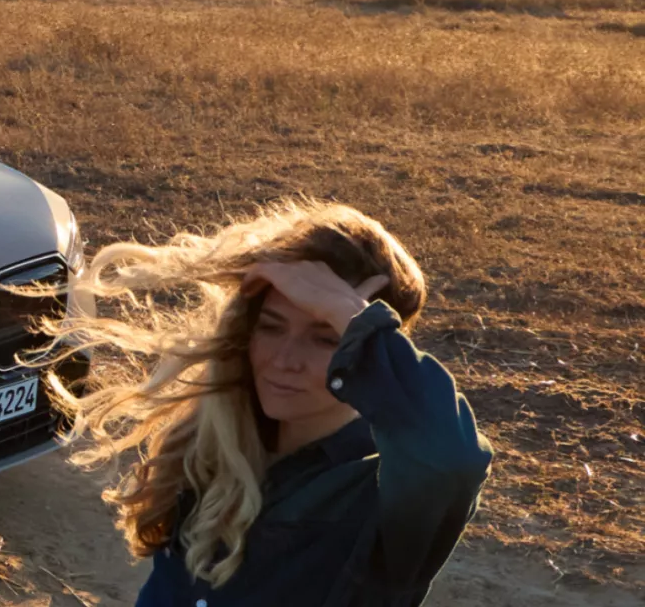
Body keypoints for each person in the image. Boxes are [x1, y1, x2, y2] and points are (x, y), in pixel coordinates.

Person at [32, 200, 493, 606]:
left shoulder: (376, 493)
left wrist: (350, 315)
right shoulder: (215, 444)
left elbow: (451, 460)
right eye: (271, 327)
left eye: (325, 336)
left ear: (364, 346)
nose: (285, 360)